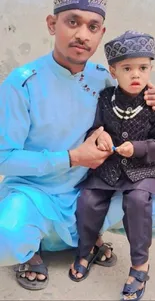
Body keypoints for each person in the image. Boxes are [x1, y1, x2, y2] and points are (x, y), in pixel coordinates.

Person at [0, 0, 155, 292]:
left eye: (93, 26)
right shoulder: (21, 83)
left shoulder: (103, 78)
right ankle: (30, 250)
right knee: (6, 235)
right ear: (52, 24)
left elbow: (137, 104)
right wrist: (71, 157)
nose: (82, 35)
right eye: (72, 22)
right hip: (35, 194)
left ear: (101, 34)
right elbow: (5, 158)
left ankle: (85, 235)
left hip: (90, 190)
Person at [70, 30, 155, 301]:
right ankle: (87, 249)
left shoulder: (152, 102)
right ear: (113, 70)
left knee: (138, 201)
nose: (136, 75)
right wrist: (100, 135)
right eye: (127, 68)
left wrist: (139, 148)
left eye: (143, 68)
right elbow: (95, 127)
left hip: (143, 167)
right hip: (109, 165)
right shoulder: (106, 98)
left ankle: (140, 264)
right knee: (88, 199)